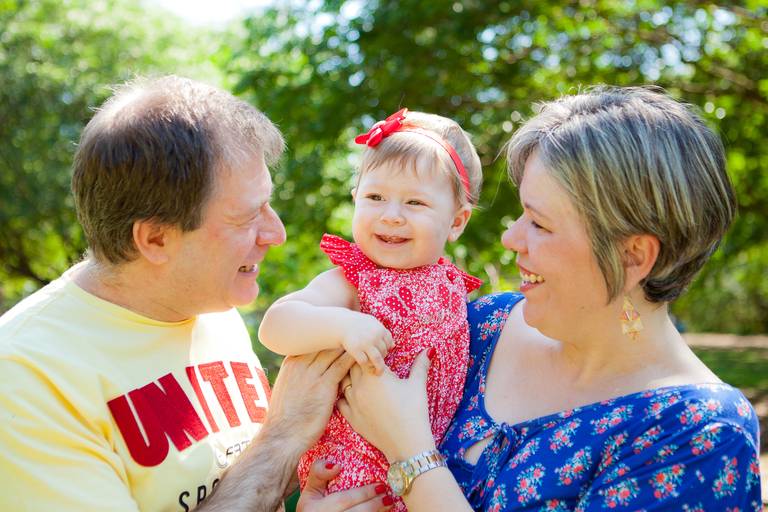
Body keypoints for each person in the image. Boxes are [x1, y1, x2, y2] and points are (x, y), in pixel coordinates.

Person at [332, 86, 763, 510]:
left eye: (539, 224)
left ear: (633, 256)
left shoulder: (696, 433)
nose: (509, 237)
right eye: (521, 213)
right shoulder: (478, 326)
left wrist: (411, 452)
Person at [0, 76, 389, 512]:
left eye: (268, 203)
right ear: (156, 239)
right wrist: (283, 435)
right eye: (247, 217)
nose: (276, 233)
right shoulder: (25, 378)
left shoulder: (211, 307)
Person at [259, 108, 483, 509]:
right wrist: (343, 325)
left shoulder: (452, 285)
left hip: (426, 475)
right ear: (355, 199)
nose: (391, 215)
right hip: (352, 476)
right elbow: (275, 325)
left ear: (457, 222)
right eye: (375, 197)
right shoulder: (353, 280)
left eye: (415, 202)